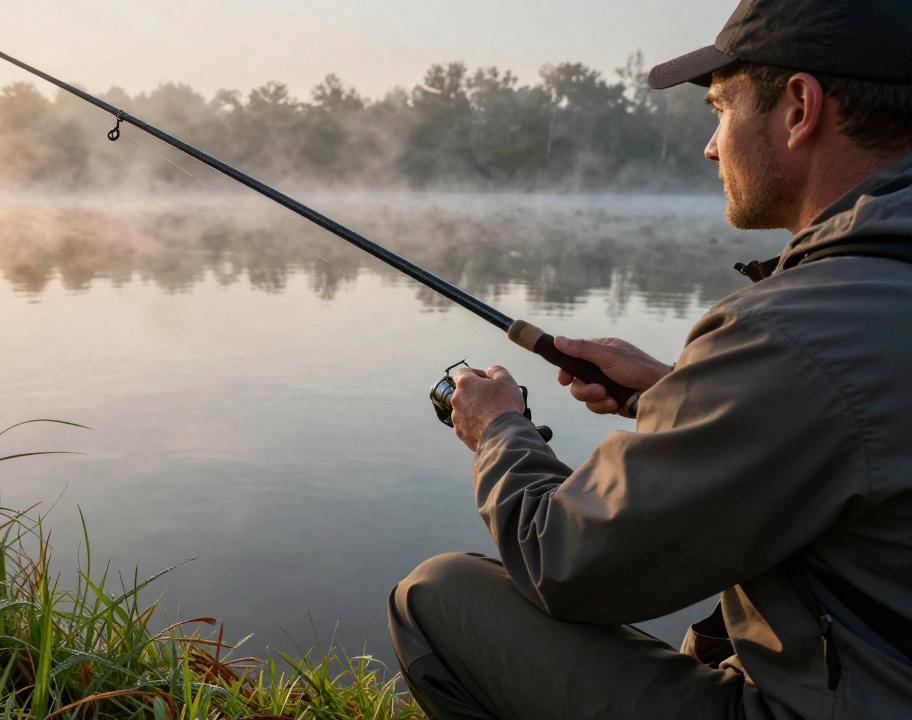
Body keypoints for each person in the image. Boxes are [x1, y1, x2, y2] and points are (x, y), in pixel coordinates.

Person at [387, 0, 912, 718]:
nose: (709, 145)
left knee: (437, 598)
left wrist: (498, 428)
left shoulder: (797, 331)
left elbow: (566, 562)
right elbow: (860, 426)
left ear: (798, 108)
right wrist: (674, 390)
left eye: (719, 108)